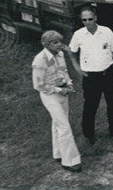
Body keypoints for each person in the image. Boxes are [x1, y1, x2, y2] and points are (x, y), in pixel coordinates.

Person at [67, 6, 113, 143]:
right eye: (84, 20)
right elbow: (71, 51)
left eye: (90, 19)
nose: (87, 22)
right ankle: (89, 135)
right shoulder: (78, 34)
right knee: (90, 106)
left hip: (108, 73)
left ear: (96, 18)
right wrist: (76, 67)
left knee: (112, 104)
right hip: (90, 77)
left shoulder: (106, 31)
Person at [32, 30, 82, 172]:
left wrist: (69, 83)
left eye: (60, 41)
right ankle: (70, 161)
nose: (59, 45)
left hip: (63, 91)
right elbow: (38, 85)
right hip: (50, 95)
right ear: (45, 44)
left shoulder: (60, 54)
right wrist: (60, 90)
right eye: (55, 42)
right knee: (65, 127)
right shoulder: (40, 60)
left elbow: (63, 71)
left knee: (58, 124)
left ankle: (58, 153)